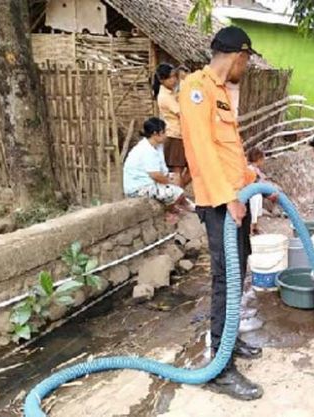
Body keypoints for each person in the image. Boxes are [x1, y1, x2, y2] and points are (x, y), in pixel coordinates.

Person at [179, 26, 264, 401]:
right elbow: (201, 148)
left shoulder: (222, 93)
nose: (245, 68)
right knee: (225, 278)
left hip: (236, 198)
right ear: (238, 55)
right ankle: (221, 368)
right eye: (247, 61)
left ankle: (229, 338)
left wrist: (250, 178)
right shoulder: (196, 88)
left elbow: (229, 149)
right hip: (219, 203)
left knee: (240, 266)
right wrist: (229, 197)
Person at [122, 117, 194, 220]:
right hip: (138, 188)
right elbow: (155, 175)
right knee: (176, 192)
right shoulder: (146, 150)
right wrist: (170, 182)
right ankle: (173, 210)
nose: (166, 135)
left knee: (176, 186)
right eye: (164, 132)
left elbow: (162, 171)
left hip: (149, 182)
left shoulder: (157, 146)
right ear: (156, 134)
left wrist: (171, 177)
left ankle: (183, 207)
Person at [153, 63, 191, 187]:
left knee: (189, 169)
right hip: (175, 135)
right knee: (177, 171)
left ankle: (177, 195)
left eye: (175, 76)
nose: (174, 80)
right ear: (162, 80)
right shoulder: (165, 96)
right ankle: (177, 198)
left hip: (180, 135)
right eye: (171, 77)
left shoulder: (170, 93)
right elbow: (182, 113)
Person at [246, 146, 271, 235]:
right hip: (252, 195)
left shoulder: (256, 169)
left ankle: (255, 228)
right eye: (262, 159)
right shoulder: (250, 169)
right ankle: (251, 230)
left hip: (257, 194)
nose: (263, 162)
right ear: (258, 159)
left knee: (257, 213)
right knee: (253, 213)